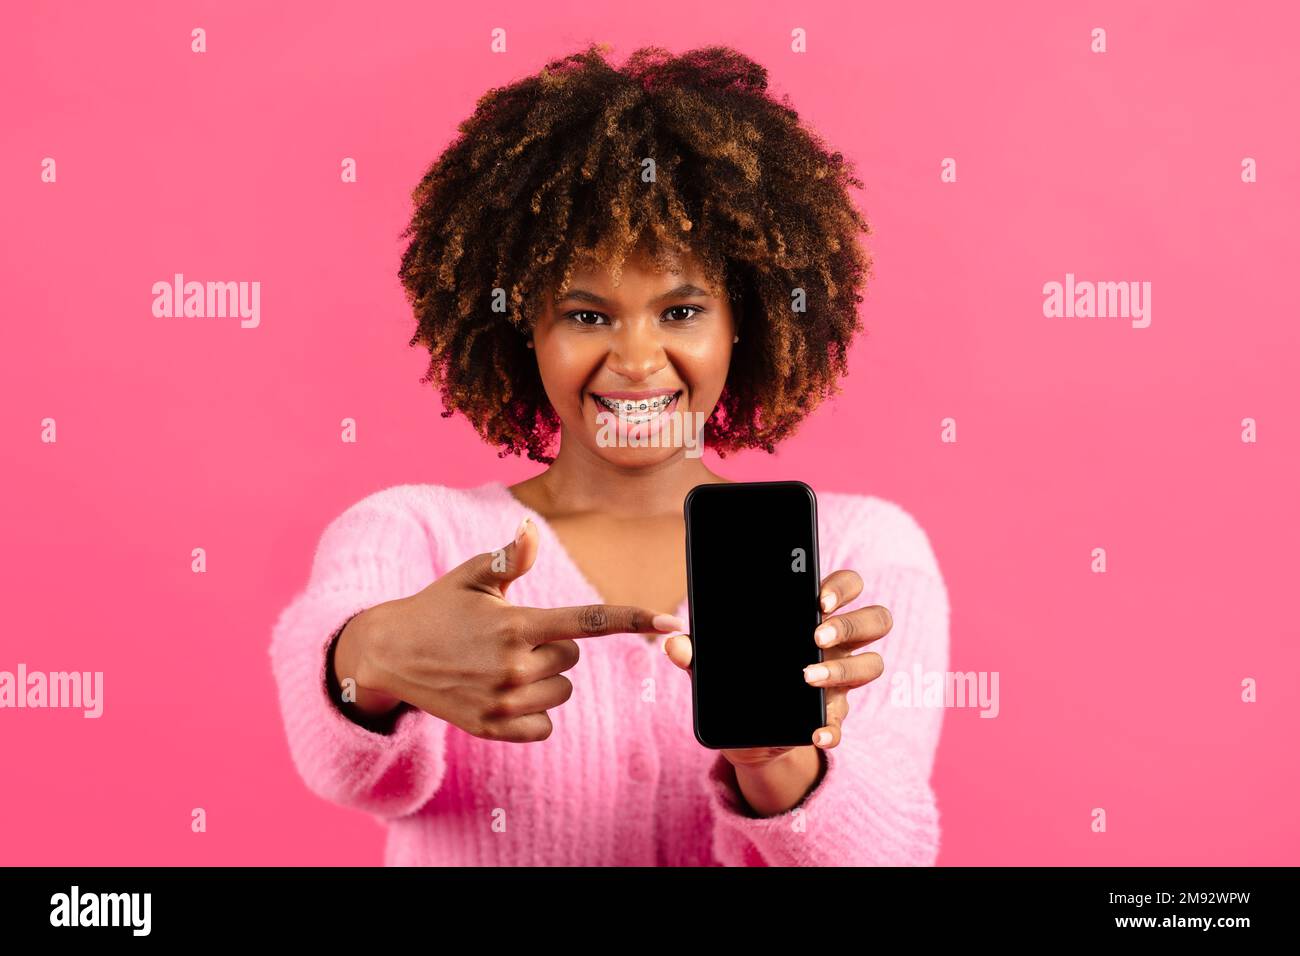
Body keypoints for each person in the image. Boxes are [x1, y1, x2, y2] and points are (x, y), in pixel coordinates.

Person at [269, 43, 949, 866]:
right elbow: (340, 766)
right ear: (526, 329)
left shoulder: (859, 553)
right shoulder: (414, 533)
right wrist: (376, 657)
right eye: (587, 315)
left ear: (745, 323)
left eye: (681, 311)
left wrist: (775, 761)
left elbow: (885, 859)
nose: (634, 359)